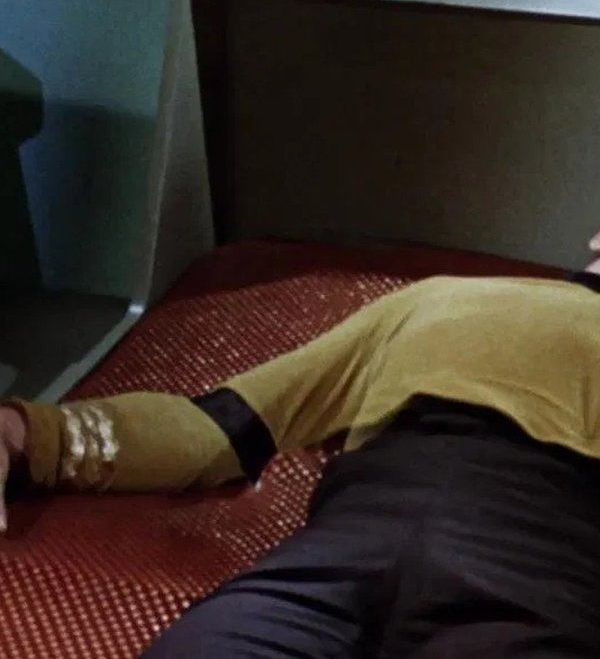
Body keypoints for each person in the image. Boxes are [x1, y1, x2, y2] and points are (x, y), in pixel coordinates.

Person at [3, 235, 600, 658]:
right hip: (346, 546)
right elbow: (214, 429)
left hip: (541, 562)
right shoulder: (443, 300)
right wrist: (22, 432)